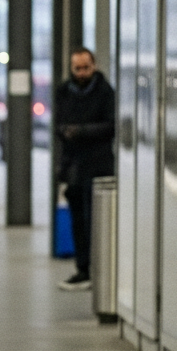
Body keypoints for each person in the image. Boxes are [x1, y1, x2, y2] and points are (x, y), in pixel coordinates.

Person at [54, 47, 115, 291]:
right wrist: (67, 132)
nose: (81, 73)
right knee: (78, 218)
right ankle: (82, 268)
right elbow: (58, 123)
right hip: (73, 166)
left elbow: (110, 126)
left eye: (85, 67)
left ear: (94, 66)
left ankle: (97, 269)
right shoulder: (63, 92)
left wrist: (80, 131)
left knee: (95, 221)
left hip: (98, 164)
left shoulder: (105, 92)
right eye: (77, 68)